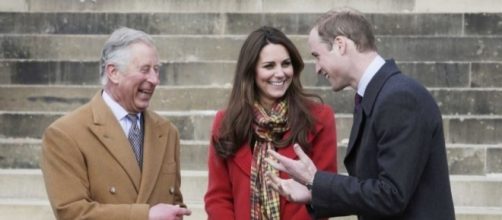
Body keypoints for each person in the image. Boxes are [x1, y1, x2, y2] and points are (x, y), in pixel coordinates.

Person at [265, 7, 455, 220]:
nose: (317, 68)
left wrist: (316, 180)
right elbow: (375, 190)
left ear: (340, 45)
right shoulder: (378, 95)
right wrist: (314, 191)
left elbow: (391, 195)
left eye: (317, 56)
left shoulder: (400, 97)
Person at [40, 27, 191, 220]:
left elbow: (174, 202)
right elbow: (72, 213)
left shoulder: (167, 132)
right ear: (114, 73)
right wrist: (145, 216)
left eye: (156, 70)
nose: (154, 80)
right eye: (145, 69)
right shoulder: (65, 134)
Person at [204, 26, 338, 220]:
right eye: (269, 66)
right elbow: (219, 198)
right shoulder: (226, 123)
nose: (280, 73)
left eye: (286, 64)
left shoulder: (319, 118)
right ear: (251, 71)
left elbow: (325, 195)